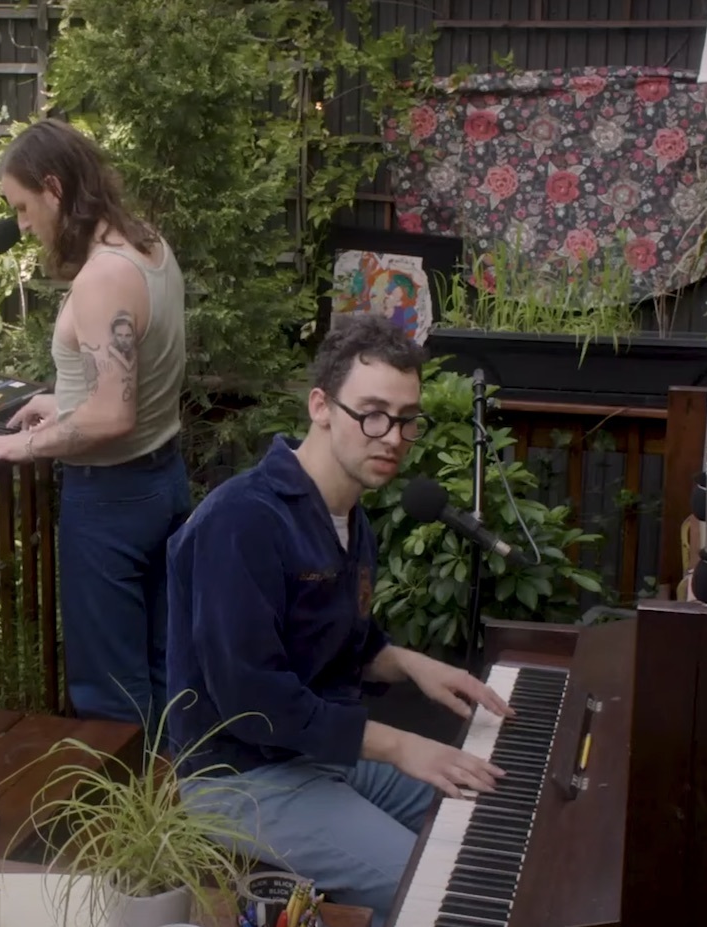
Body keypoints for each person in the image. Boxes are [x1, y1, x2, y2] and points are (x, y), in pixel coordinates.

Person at [164, 313, 515, 926]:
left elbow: (339, 643)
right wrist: (401, 745)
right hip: (240, 779)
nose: (393, 436)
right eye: (373, 414)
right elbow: (255, 698)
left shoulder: (353, 523)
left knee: (488, 818)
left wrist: (408, 661)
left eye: (407, 419)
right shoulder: (241, 522)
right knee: (434, 897)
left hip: (320, 757)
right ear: (321, 406)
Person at [0, 118, 189, 730]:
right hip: (163, 479)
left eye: (23, 207)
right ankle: (180, 810)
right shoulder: (149, 247)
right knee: (164, 666)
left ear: (54, 188)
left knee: (111, 689)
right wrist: (62, 404)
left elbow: (114, 413)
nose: (24, 224)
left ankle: (125, 821)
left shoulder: (102, 278)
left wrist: (23, 446)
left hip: (111, 499)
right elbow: (133, 382)